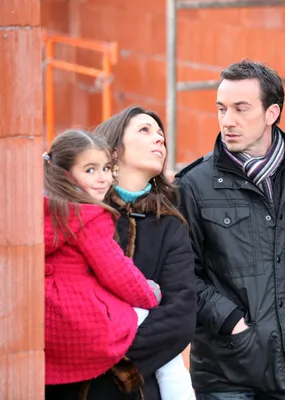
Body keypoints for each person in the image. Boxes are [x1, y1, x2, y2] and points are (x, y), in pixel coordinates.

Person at [174, 59, 285, 400]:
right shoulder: (193, 185)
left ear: (271, 113)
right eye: (222, 109)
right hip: (224, 370)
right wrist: (234, 324)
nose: (227, 120)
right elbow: (183, 274)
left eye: (241, 109)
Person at [45, 108, 197, 400]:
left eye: (160, 133)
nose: (159, 138)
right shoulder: (70, 215)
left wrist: (112, 358)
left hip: (132, 388)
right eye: (145, 130)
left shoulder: (169, 225)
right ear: (113, 150)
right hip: (64, 384)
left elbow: (179, 316)